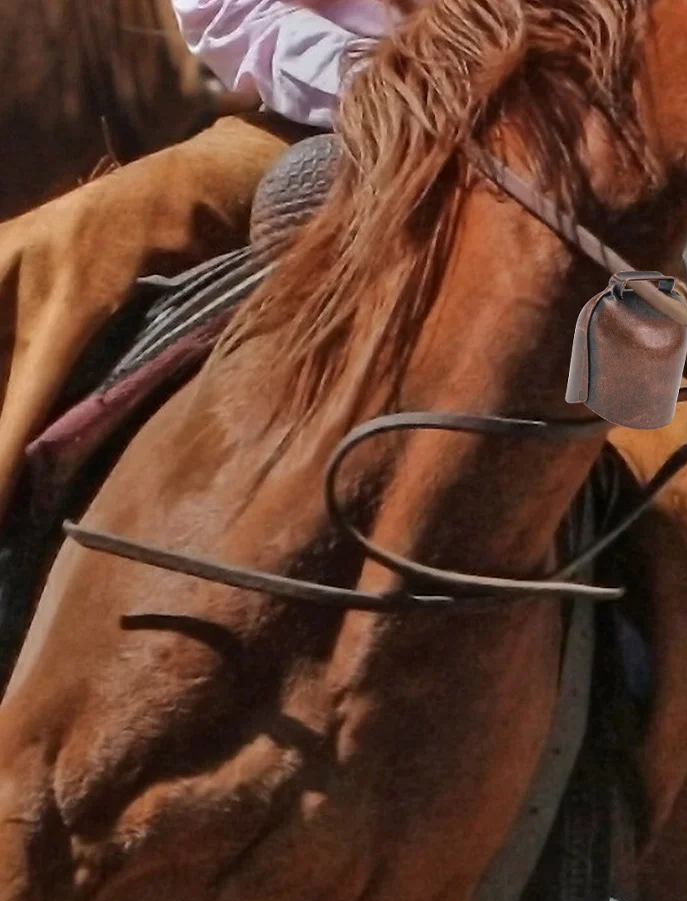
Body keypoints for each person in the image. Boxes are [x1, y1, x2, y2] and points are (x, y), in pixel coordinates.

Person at [0, 0, 398, 528]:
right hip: (342, 112)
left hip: (530, 112)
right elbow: (230, 11)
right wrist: (383, 86)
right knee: (81, 241)